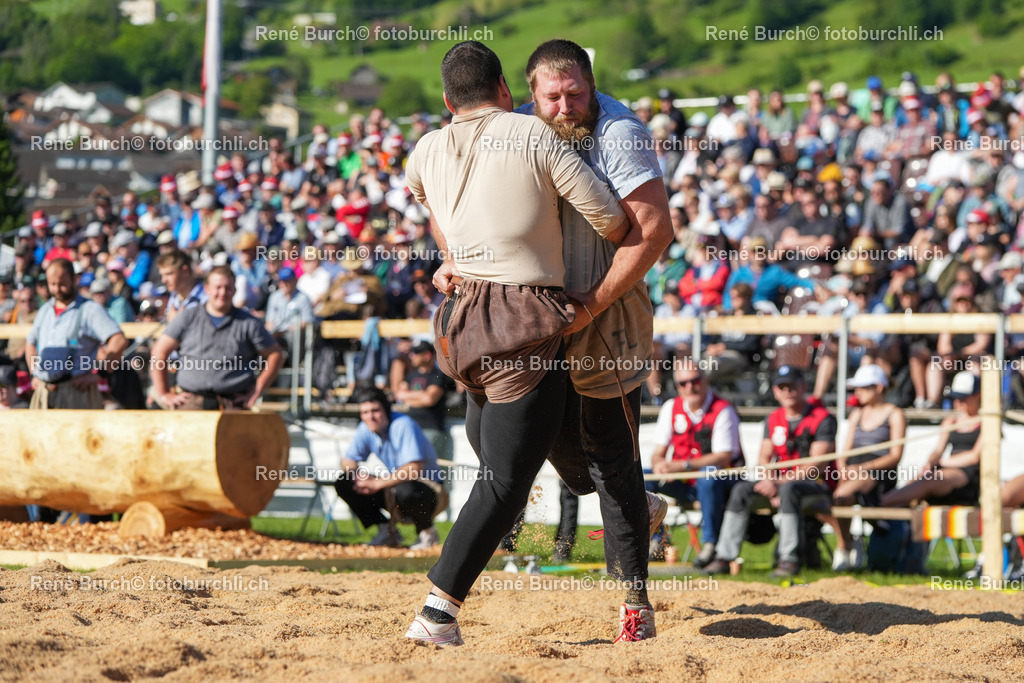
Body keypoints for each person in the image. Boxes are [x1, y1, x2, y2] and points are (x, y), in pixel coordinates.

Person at [403, 41, 629, 647]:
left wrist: (454, 253)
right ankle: (437, 612)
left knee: (501, 448)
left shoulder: (424, 148)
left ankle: (630, 498)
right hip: (520, 317)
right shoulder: (534, 136)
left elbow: (431, 204)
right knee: (505, 479)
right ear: (507, 90)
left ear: (449, 100)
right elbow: (612, 218)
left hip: (456, 321)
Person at [520, 39, 674, 642]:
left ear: (591, 84)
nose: (565, 107)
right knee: (572, 466)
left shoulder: (618, 133)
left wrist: (595, 302)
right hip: (548, 317)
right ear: (531, 96)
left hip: (610, 314)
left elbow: (655, 229)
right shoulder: (522, 132)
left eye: (575, 94)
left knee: (610, 458)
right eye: (552, 97)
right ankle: (644, 503)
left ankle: (636, 607)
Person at [702, 366, 837, 578]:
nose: (787, 391)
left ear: (803, 387)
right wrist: (770, 481)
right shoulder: (773, 418)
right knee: (741, 490)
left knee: (789, 491)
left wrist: (779, 485)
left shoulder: (822, 418)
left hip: (816, 487)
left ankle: (789, 559)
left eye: (792, 386)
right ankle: (724, 556)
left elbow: (815, 466)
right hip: (781, 486)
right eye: (782, 387)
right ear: (775, 391)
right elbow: (764, 457)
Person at [649, 359, 744, 568]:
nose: (690, 387)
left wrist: (681, 466)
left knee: (709, 475)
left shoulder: (723, 410)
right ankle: (657, 538)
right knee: (639, 478)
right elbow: (657, 454)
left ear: (706, 381)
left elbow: (723, 457)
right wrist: (659, 465)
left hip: (721, 483)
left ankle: (711, 545)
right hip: (684, 482)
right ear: (677, 387)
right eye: (684, 383)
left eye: (695, 381)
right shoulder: (670, 408)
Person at [149, 265, 284, 410]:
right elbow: (159, 352)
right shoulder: (188, 317)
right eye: (218, 287)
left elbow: (275, 354)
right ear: (207, 289)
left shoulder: (249, 323)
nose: (223, 292)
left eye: (228, 287)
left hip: (233, 404)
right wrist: (163, 393)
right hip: (191, 403)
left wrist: (257, 389)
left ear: (235, 290)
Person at [334, 387, 445, 551]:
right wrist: (357, 475)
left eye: (375, 410)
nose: (369, 416)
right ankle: (387, 531)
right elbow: (347, 460)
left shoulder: (403, 424)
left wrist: (377, 484)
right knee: (345, 482)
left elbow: (414, 468)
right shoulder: (366, 427)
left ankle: (428, 533)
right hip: (394, 488)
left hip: (430, 490)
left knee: (406, 488)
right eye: (364, 412)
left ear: (385, 409)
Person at [25, 259, 128, 410]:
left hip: (75, 393)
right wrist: (34, 373)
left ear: (74, 279)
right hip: (44, 392)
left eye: (62, 284)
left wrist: (100, 374)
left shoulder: (90, 309)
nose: (57, 289)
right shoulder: (45, 310)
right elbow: (30, 342)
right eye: (52, 284)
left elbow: (119, 341)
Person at [831, 365, 905, 571]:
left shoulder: (894, 414)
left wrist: (863, 467)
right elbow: (844, 451)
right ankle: (847, 543)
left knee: (841, 496)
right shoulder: (857, 414)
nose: (857, 393)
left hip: (880, 473)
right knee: (833, 496)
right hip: (855, 470)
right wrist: (844, 467)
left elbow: (895, 456)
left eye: (863, 388)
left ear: (879, 388)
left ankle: (844, 546)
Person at [882, 371, 981, 507]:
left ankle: (881, 503)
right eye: (956, 398)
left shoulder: (987, 422)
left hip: (970, 475)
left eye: (963, 398)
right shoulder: (951, 421)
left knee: (927, 481)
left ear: (978, 396)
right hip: (949, 471)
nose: (959, 402)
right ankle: (886, 509)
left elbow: (974, 457)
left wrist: (940, 462)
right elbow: (938, 450)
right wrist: (931, 462)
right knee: (915, 483)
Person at [394, 340, 453, 463]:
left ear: (427, 355)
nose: (412, 356)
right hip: (411, 428)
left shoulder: (439, 375)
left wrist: (409, 398)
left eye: (416, 353)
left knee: (429, 471)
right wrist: (422, 394)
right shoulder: (411, 375)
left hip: (431, 429)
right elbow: (399, 394)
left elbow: (429, 399)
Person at [158, 249, 206, 323]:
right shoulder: (174, 297)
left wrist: (177, 323)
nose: (163, 280)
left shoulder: (206, 297)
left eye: (169, 274)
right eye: (162, 275)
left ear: (185, 271)